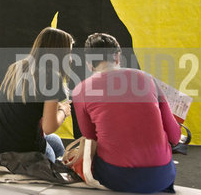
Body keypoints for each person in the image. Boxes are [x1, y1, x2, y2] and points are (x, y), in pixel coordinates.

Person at [72, 33, 181, 193]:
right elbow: (175, 136)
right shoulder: (147, 79)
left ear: (89, 64)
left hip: (116, 177)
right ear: (117, 57)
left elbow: (90, 137)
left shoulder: (80, 90)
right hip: (162, 177)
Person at [0, 27, 73, 163]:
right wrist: (63, 111)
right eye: (69, 52)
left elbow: (27, 104)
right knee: (57, 151)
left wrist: (55, 106)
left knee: (56, 142)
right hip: (25, 153)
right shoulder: (52, 78)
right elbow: (49, 127)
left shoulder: (16, 67)